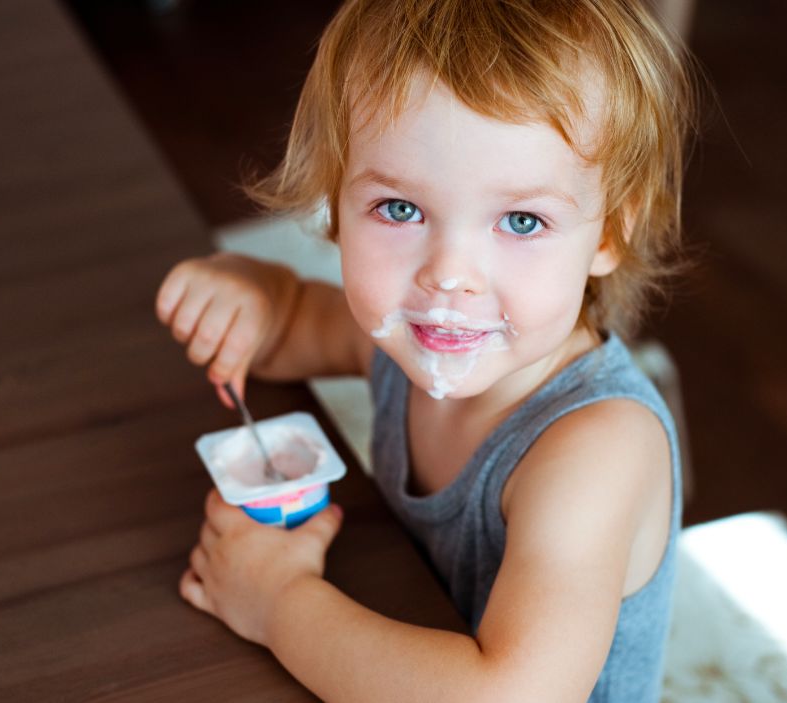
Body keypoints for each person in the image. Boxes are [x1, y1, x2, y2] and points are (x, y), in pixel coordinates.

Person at [155, 0, 697, 699]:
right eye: (401, 209)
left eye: (522, 219)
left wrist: (280, 602)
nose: (449, 274)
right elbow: (288, 325)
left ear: (604, 236)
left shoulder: (595, 450)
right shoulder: (407, 341)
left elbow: (505, 694)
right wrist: (248, 295)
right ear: (334, 204)